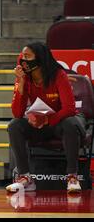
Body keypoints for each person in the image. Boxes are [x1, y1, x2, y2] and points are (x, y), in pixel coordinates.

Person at [6, 42, 86, 194]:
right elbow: (17, 113)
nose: (23, 60)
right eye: (22, 56)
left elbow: (69, 109)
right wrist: (21, 84)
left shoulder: (58, 75)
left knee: (70, 123)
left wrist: (48, 120)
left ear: (40, 59)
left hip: (60, 123)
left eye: (28, 56)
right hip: (41, 125)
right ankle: (25, 177)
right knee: (15, 125)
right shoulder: (24, 78)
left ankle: (72, 177)